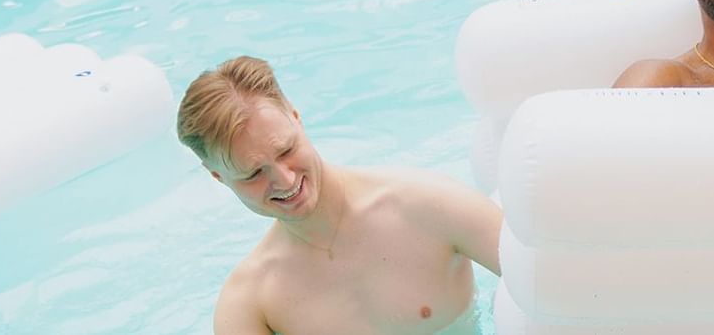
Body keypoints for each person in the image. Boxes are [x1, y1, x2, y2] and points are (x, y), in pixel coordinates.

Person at [176, 56, 504, 334]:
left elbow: (550, 271)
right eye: (253, 174)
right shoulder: (252, 303)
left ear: (295, 117)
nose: (285, 179)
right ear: (218, 176)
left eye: (287, 150)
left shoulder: (429, 207)